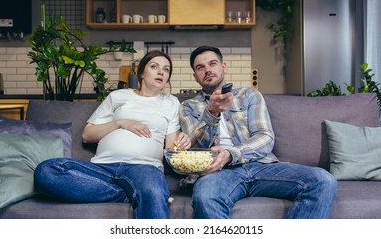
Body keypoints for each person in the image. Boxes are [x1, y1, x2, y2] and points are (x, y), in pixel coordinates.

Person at [179, 45, 337, 219]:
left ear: (223, 66)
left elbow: (265, 138)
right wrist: (211, 113)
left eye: (212, 63)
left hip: (260, 166)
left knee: (323, 180)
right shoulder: (188, 107)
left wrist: (231, 154)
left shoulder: (249, 95)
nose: (207, 70)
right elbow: (196, 149)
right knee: (205, 197)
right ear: (195, 76)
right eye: (200, 67)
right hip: (219, 173)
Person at [34, 50, 191, 219]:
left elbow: (170, 148)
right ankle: (125, 194)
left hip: (144, 168)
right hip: (101, 167)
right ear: (141, 73)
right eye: (154, 67)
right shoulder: (117, 96)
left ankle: (137, 193)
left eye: (166, 70)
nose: (161, 72)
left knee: (153, 190)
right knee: (46, 171)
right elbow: (87, 135)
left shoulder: (171, 103)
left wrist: (184, 141)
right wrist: (120, 122)